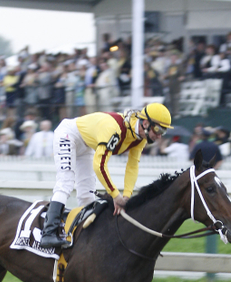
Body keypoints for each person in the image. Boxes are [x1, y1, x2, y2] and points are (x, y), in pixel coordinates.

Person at [40, 103, 173, 248]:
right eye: (158, 129)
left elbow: (132, 166)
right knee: (66, 181)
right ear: (146, 123)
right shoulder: (114, 129)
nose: (159, 136)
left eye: (163, 131)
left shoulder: (140, 138)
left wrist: (126, 196)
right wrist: (116, 195)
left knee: (87, 195)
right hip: (68, 135)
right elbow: (99, 165)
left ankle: (84, 240)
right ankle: (48, 233)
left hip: (87, 145)